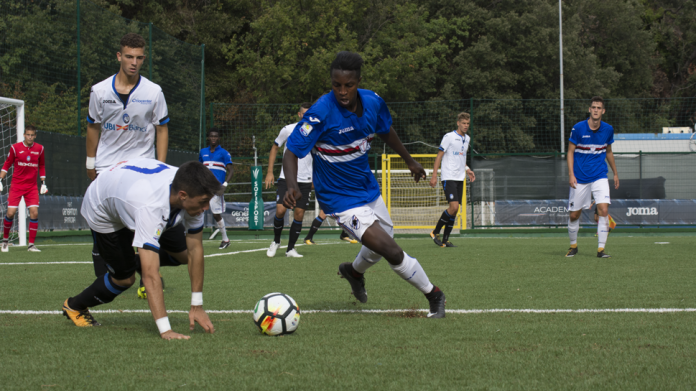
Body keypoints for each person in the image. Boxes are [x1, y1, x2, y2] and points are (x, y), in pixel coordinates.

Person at [282, 51, 446, 318]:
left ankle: (353, 272)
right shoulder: (320, 113)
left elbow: (385, 131)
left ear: (358, 81)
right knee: (389, 249)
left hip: (366, 187)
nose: (342, 91)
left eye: (349, 85)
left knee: (382, 242)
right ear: (331, 83)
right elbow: (291, 151)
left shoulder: (373, 102)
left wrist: (409, 161)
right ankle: (435, 295)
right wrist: (292, 185)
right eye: (336, 85)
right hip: (338, 197)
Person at [62, 159, 219, 340]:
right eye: (204, 202)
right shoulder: (150, 207)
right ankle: (75, 306)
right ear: (183, 195)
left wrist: (197, 305)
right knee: (124, 279)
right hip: (103, 208)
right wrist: (166, 330)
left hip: (133, 192)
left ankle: (138, 260)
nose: (206, 208)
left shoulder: (189, 187)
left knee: (184, 255)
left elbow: (195, 250)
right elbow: (151, 276)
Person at [85, 33, 170, 291]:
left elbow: (162, 128)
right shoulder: (99, 91)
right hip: (107, 169)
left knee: (144, 227)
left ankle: (147, 279)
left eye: (139, 57)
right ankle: (107, 280)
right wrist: (90, 163)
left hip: (141, 169)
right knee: (105, 229)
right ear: (119, 56)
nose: (134, 62)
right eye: (129, 56)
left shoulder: (154, 91)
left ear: (144, 58)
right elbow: (93, 127)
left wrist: (161, 168)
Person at [566, 96, 619, 258]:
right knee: (574, 215)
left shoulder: (608, 129)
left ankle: (600, 250)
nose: (596, 110)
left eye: (599, 108)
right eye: (593, 107)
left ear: (603, 111)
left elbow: (608, 151)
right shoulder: (578, 128)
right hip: (580, 178)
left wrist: (615, 173)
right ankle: (573, 246)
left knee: (603, 209)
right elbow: (570, 152)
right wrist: (571, 174)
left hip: (599, 175)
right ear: (590, 110)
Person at [264, 102, 314, 258]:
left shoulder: (316, 132)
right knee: (280, 210)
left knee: (299, 215)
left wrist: (315, 177)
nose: (306, 117)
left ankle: (290, 249)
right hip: (286, 177)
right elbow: (275, 147)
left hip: (305, 180)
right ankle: (276, 241)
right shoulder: (288, 129)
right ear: (299, 115)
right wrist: (270, 172)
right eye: (304, 114)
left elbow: (318, 156)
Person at [429, 113, 476, 247]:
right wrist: (434, 176)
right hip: (448, 176)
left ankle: (445, 240)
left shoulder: (467, 139)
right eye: (463, 123)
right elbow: (439, 157)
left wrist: (467, 169)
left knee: (455, 209)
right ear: (458, 123)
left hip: (460, 178)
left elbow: (462, 158)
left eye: (468, 123)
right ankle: (435, 231)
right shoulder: (449, 137)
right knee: (453, 206)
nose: (466, 126)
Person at [0, 125, 47, 252]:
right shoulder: (15, 148)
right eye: (28, 135)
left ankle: (31, 245)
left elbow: (41, 165)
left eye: (32, 135)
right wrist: (1, 179)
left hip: (31, 187)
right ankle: (5, 240)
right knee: (10, 213)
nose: (30, 137)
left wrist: (43, 183)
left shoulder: (40, 148)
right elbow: (7, 163)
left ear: (35, 136)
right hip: (16, 185)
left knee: (34, 212)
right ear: (24, 135)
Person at [199, 128, 233, 249]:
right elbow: (199, 168)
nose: (213, 138)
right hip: (203, 187)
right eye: (211, 136)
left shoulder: (224, 153)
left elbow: (231, 171)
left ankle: (225, 239)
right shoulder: (203, 152)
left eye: (215, 136)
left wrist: (224, 185)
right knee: (197, 211)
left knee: (216, 214)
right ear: (209, 138)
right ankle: (194, 239)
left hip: (216, 188)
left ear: (218, 138)